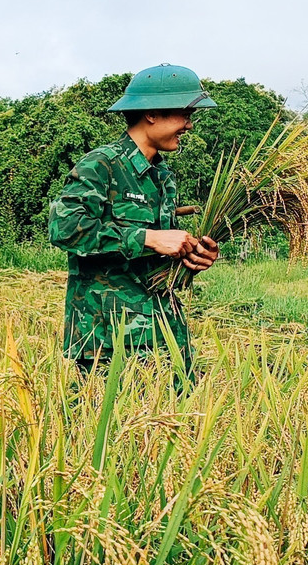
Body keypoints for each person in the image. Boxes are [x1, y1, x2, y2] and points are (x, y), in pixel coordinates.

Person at [47, 64, 221, 375]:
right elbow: (65, 229)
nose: (189, 125)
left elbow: (155, 257)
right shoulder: (102, 165)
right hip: (109, 339)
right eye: (184, 115)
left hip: (164, 331)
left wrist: (192, 256)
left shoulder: (162, 175)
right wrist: (148, 238)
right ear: (151, 113)